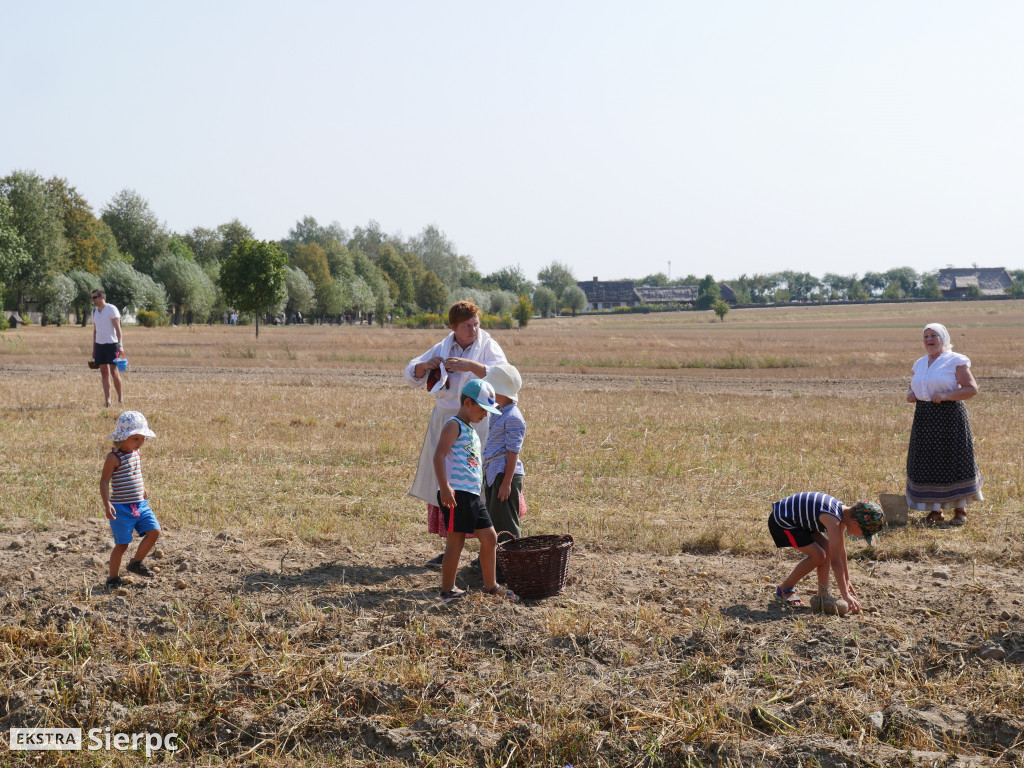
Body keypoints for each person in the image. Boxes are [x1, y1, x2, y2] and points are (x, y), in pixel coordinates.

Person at [405, 300, 508, 567]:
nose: (473, 329)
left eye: (476, 324)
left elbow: (504, 376)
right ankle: (453, 550)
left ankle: (486, 551)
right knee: (449, 483)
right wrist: (426, 364)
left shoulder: (487, 345)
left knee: (477, 482)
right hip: (446, 422)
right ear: (453, 327)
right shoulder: (443, 345)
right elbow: (411, 374)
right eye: (467, 326)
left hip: (477, 422)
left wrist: (470, 366)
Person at [433, 379, 517, 602]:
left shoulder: (471, 430)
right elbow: (438, 456)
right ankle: (447, 590)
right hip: (456, 495)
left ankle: (491, 586)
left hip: (471, 495)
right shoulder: (454, 425)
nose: (485, 415)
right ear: (468, 403)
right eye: (482, 410)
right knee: (456, 543)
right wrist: (445, 488)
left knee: (490, 538)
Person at [905, 323, 982, 526]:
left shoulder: (955, 360)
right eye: (926, 336)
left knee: (952, 461)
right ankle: (935, 512)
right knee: (928, 463)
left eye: (934, 336)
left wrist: (946, 395)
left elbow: (971, 389)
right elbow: (919, 383)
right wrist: (912, 393)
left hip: (949, 418)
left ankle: (960, 509)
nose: (929, 339)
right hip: (924, 418)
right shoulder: (920, 363)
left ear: (943, 338)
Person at [768, 492, 884, 614]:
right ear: (856, 524)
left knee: (827, 550)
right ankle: (785, 589)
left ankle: (822, 595)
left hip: (801, 521)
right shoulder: (834, 521)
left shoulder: (842, 513)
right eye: (863, 534)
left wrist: (847, 579)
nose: (862, 537)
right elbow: (835, 561)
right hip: (782, 521)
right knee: (818, 555)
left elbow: (841, 550)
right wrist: (845, 595)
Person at [100, 411, 161, 588]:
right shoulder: (113, 457)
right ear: (122, 438)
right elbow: (104, 481)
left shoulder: (136, 454)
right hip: (121, 508)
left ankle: (136, 562)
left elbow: (136, 474)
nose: (140, 442)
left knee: (155, 531)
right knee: (122, 544)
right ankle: (112, 578)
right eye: (136, 438)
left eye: (142, 438)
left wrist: (143, 489)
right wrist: (107, 503)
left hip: (140, 505)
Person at [481, 364, 527, 578]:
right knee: (494, 518)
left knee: (505, 521)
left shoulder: (514, 417)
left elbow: (513, 452)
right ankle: (499, 563)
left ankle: (514, 564)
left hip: (504, 474)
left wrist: (507, 482)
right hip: (494, 472)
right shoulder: (499, 412)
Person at [90, 289, 124, 407]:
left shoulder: (111, 309)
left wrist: (120, 345)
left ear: (101, 297)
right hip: (99, 345)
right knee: (104, 372)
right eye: (92, 298)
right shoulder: (94, 312)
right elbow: (95, 331)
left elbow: (118, 329)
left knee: (114, 372)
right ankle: (108, 401)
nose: (92, 300)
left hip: (112, 344)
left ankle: (120, 399)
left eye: (94, 297)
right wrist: (94, 348)